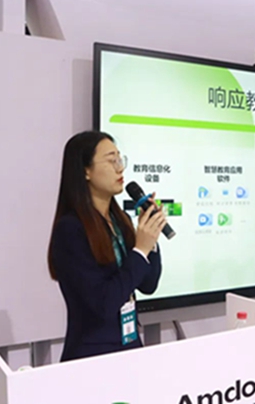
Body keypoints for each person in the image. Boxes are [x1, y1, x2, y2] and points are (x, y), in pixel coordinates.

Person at [47, 131, 166, 361]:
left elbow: (148, 284)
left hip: (129, 346)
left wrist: (150, 242)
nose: (120, 168)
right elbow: (103, 303)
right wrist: (140, 250)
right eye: (111, 160)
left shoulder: (119, 220)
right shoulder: (71, 229)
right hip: (93, 355)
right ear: (86, 171)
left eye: (120, 159)